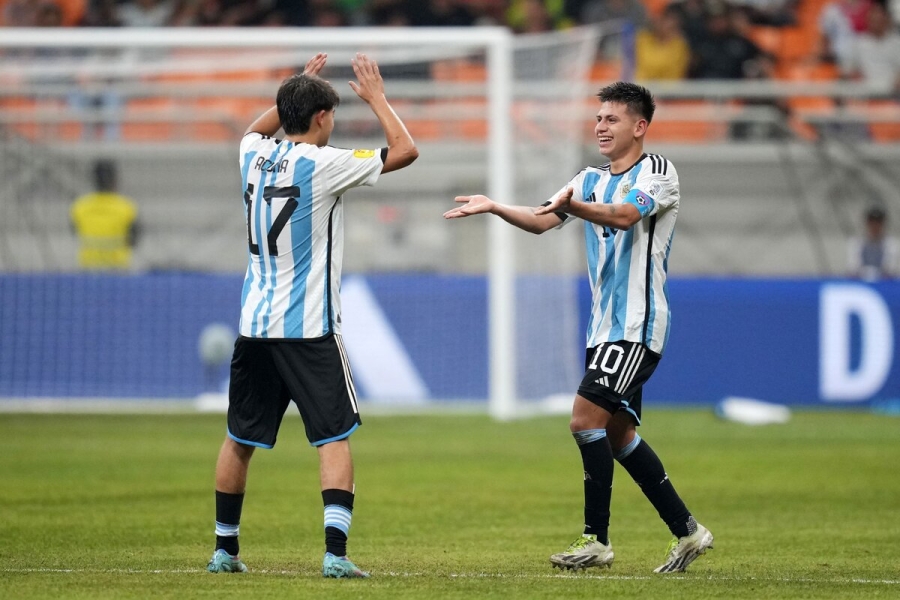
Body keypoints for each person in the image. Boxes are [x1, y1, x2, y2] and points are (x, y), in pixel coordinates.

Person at [443, 81, 713, 574]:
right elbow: (542, 219)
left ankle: (596, 540)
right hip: (603, 328)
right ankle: (689, 531)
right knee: (618, 435)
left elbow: (625, 215)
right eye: (598, 119)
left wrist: (572, 206)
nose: (600, 127)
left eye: (612, 119)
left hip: (637, 324)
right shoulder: (587, 179)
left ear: (640, 126)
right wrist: (495, 205)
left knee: (583, 420)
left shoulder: (658, 172)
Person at [206, 52, 418, 578]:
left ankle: (224, 551)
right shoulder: (326, 164)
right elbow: (405, 150)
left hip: (255, 325)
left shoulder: (252, 153)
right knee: (333, 436)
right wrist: (377, 98)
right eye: (332, 115)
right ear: (322, 117)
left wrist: (297, 87)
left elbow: (258, 127)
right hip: (308, 328)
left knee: (240, 438)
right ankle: (335, 555)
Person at [70, 159, 139, 270]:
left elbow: (74, 232)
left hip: (89, 266)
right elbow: (134, 240)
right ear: (114, 180)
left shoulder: (80, 206)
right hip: (118, 266)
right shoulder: (126, 207)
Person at [848, 206, 900, 280]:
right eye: (872, 222)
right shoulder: (856, 242)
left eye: (878, 222)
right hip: (861, 281)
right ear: (867, 223)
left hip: (883, 282)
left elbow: (890, 269)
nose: (875, 226)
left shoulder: (891, 244)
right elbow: (853, 268)